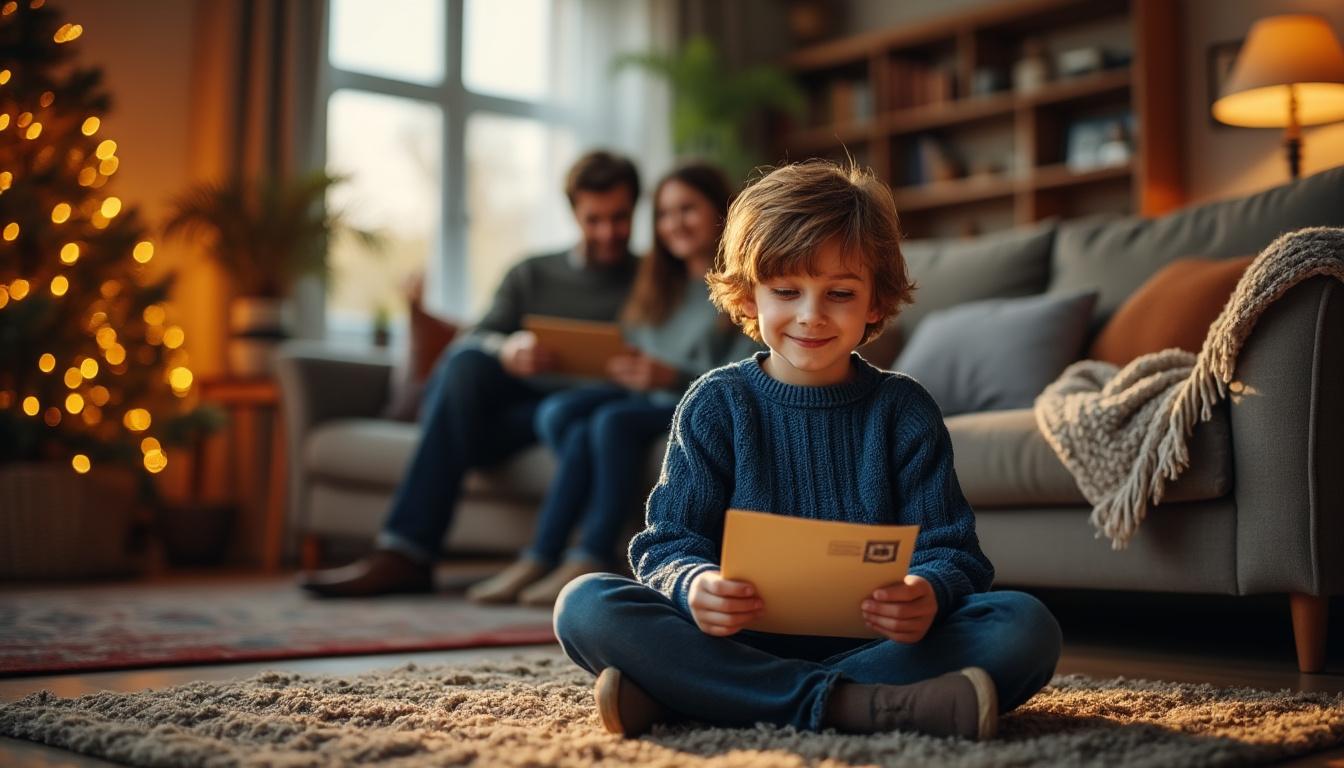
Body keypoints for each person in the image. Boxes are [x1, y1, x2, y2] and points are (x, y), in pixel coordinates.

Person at [551, 160, 1062, 740]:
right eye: (786, 291)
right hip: (731, 636)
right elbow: (667, 542)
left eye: (840, 293)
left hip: (878, 644)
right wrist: (695, 584)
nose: (811, 316)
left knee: (1025, 627)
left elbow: (955, 551)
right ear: (748, 298)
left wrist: (926, 590)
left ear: (876, 301)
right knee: (584, 604)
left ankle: (700, 694)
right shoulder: (717, 403)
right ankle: (857, 706)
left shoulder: (904, 410)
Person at [300, 150, 642, 598]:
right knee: (467, 362)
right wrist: (509, 349)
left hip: (575, 416)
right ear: (574, 212)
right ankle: (405, 553)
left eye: (620, 218)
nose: (608, 233)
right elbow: (475, 339)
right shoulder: (532, 273)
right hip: (513, 414)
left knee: (516, 403)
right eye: (594, 219)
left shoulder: (649, 279)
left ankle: (407, 550)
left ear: (635, 209)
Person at [466, 163, 760, 607]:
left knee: (610, 422)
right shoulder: (662, 281)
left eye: (687, 210)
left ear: (721, 212)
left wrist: (670, 375)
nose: (674, 223)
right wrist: (627, 365)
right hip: (647, 394)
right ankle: (540, 554)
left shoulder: (744, 283)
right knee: (562, 412)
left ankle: (590, 552)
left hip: (698, 400)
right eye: (664, 214)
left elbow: (745, 374)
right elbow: (638, 343)